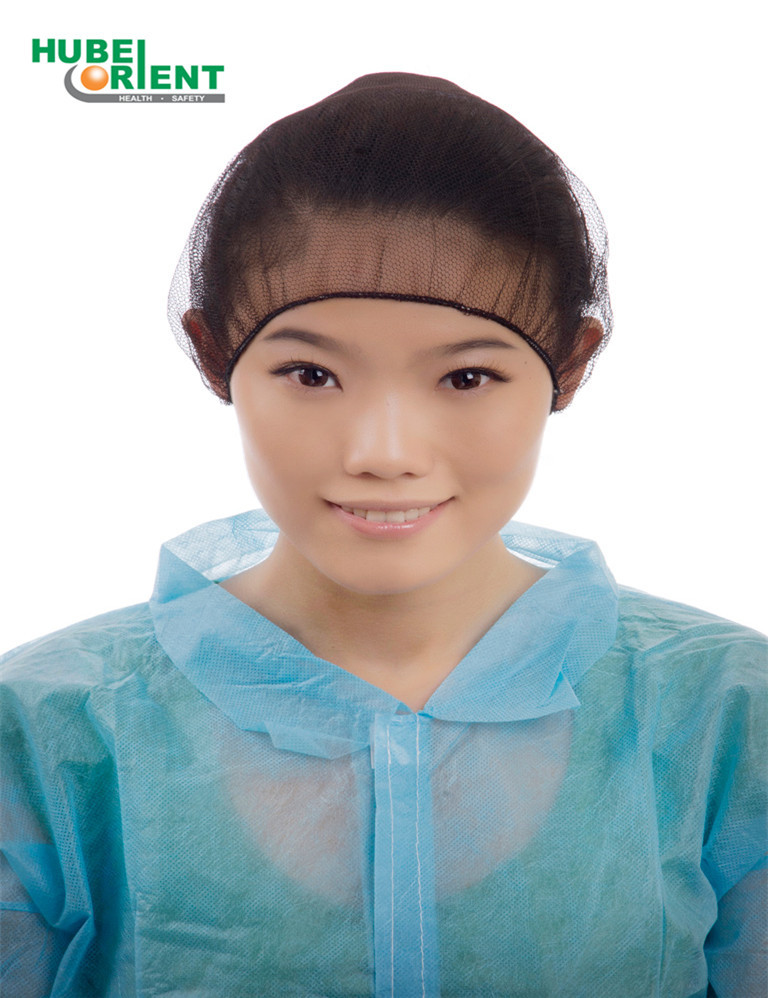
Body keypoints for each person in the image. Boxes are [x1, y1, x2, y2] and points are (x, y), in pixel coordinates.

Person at [1, 73, 765, 998]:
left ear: (571, 364)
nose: (384, 453)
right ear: (214, 355)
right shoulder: (44, 733)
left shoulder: (727, 714)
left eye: (467, 378)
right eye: (312, 374)